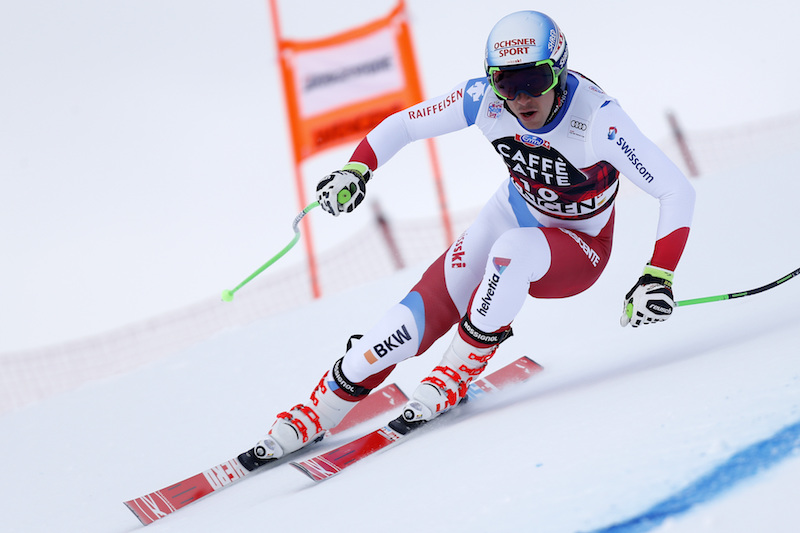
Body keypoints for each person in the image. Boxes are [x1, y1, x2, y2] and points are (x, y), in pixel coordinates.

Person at [253, 10, 695, 459]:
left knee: (511, 252)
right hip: (514, 211)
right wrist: (356, 168)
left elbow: (675, 190)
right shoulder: (483, 99)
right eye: (507, 83)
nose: (521, 98)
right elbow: (404, 124)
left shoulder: (600, 120)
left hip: (580, 246)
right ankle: (320, 409)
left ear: (559, 70)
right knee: (403, 328)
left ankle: (453, 373)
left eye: (535, 80)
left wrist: (658, 275)